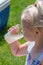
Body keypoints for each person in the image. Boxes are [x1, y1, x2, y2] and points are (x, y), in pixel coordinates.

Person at [8, 0, 43, 65]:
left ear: (36, 31)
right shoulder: (31, 44)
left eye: (24, 29)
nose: (22, 31)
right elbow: (17, 51)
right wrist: (13, 39)